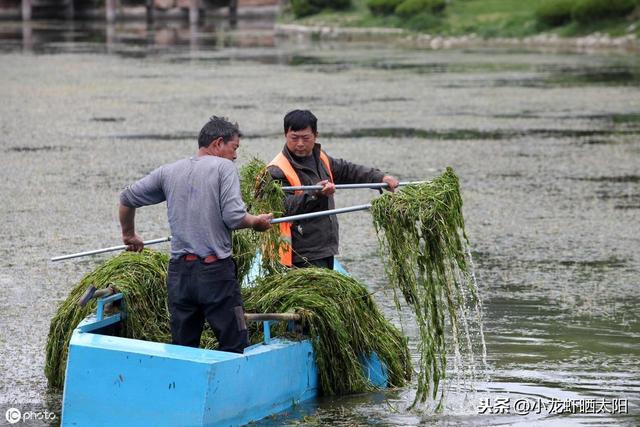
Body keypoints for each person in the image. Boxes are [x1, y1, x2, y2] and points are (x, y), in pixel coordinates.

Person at [118, 116, 272, 354]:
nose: (235, 156)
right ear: (218, 143)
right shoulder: (224, 168)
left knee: (183, 349)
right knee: (235, 342)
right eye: (234, 148)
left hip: (179, 275)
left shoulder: (169, 171)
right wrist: (256, 222)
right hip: (215, 273)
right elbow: (233, 216)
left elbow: (127, 198)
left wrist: (129, 235)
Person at [267, 109, 399, 270]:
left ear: (316, 135)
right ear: (285, 135)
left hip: (324, 246)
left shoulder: (321, 158)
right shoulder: (277, 169)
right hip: (299, 252)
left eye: (306, 138)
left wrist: (380, 178)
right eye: (294, 138)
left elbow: (347, 170)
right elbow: (282, 207)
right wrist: (316, 194)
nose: (300, 144)